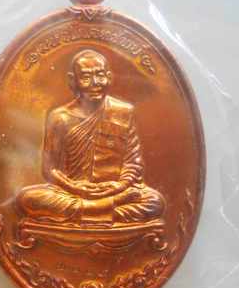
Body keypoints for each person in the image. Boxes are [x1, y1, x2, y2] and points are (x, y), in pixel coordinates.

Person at [16, 49, 164, 224]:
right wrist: (75, 188)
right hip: (73, 192)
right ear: (73, 80)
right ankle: (109, 209)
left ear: (109, 77)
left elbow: (133, 162)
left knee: (154, 202)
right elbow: (50, 169)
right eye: (86, 77)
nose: (95, 83)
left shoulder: (123, 112)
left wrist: (119, 186)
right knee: (28, 199)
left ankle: (87, 211)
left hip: (116, 190)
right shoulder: (60, 117)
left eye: (100, 76)